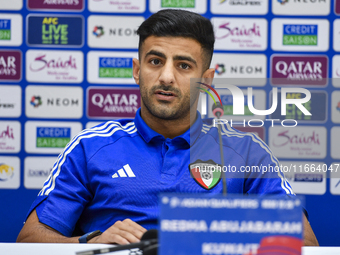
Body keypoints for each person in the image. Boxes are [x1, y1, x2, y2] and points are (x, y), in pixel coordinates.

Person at [17, 9, 319, 246]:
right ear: (137, 71)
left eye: (184, 65)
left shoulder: (247, 152)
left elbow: (304, 244)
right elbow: (29, 241)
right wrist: (90, 242)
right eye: (155, 61)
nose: (166, 77)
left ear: (207, 80)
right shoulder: (90, 147)